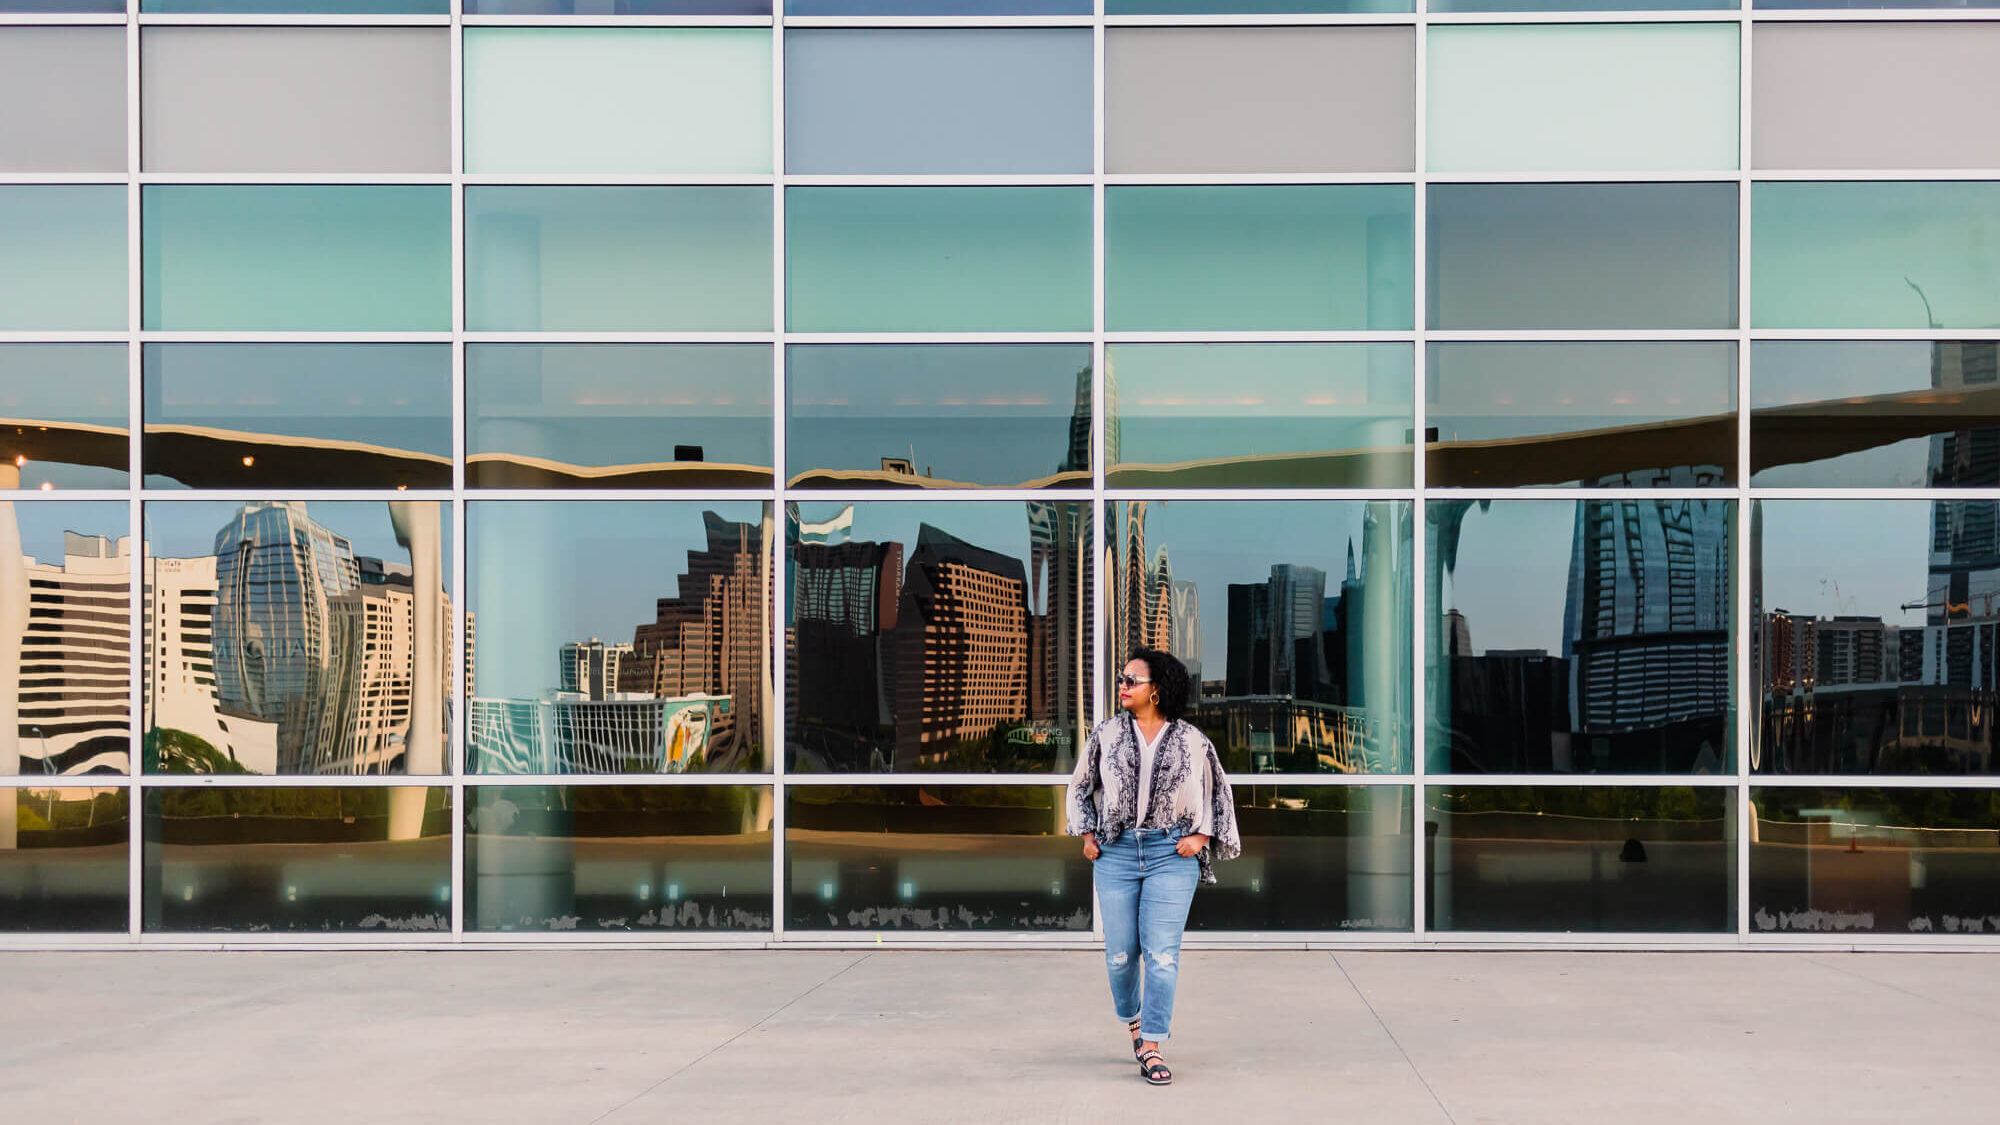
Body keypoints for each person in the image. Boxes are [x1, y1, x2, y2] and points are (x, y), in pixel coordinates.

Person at [1065, 648, 1239, 1086]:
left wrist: (1200, 836)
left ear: (1156, 690)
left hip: (1170, 854)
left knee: (1161, 955)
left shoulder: (1191, 740)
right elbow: (1081, 786)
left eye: (1131, 680)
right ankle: (1134, 1022)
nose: (1122, 685)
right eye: (1122, 679)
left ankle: (1153, 1044)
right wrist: (1087, 835)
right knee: (1121, 955)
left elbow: (1216, 790)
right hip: (1116, 852)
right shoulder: (1105, 734)